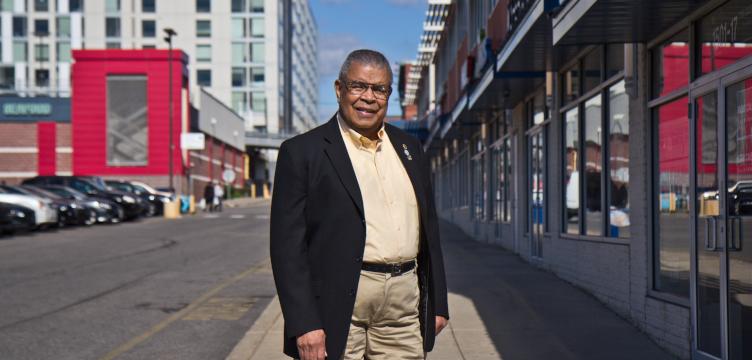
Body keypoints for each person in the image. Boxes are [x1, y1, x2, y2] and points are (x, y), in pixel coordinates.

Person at [270, 49, 449, 360]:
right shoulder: (302, 152)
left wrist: (438, 302)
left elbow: (429, 230)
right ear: (339, 90)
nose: (369, 97)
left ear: (389, 94)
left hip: (403, 304)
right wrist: (304, 323)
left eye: (379, 89)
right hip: (337, 305)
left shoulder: (410, 148)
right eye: (358, 86)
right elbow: (287, 248)